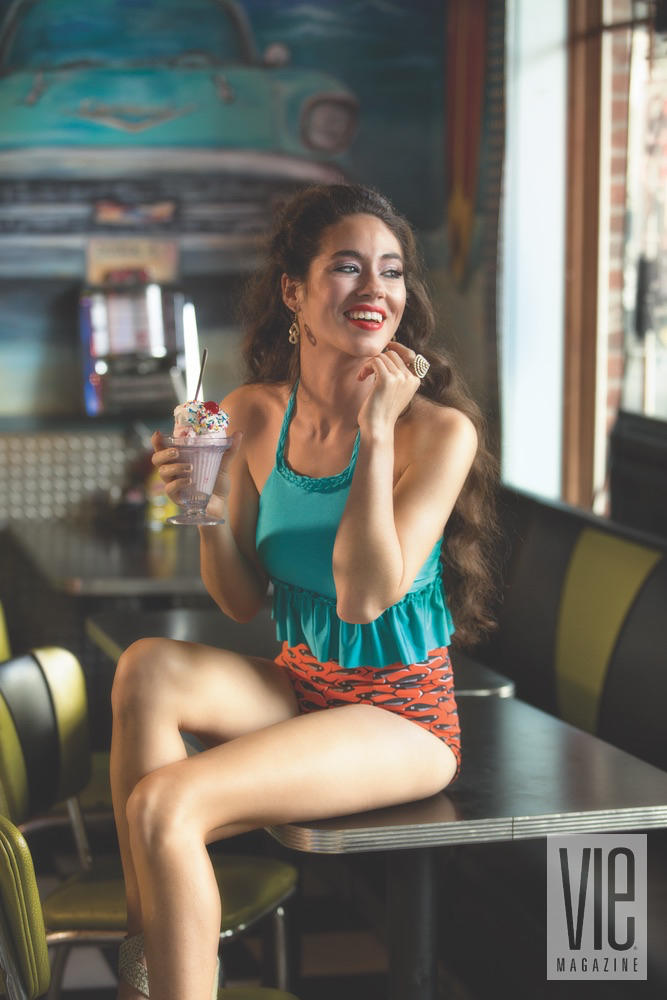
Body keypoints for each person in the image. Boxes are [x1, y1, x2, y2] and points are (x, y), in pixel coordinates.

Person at [110, 182, 499, 1000]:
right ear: (293, 290)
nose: (374, 290)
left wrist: (375, 432)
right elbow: (241, 601)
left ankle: (162, 973)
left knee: (166, 802)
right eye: (346, 267)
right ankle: (156, 964)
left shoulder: (436, 430)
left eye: (390, 272)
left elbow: (364, 596)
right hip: (302, 685)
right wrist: (207, 511)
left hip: (400, 717)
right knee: (144, 666)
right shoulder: (252, 412)